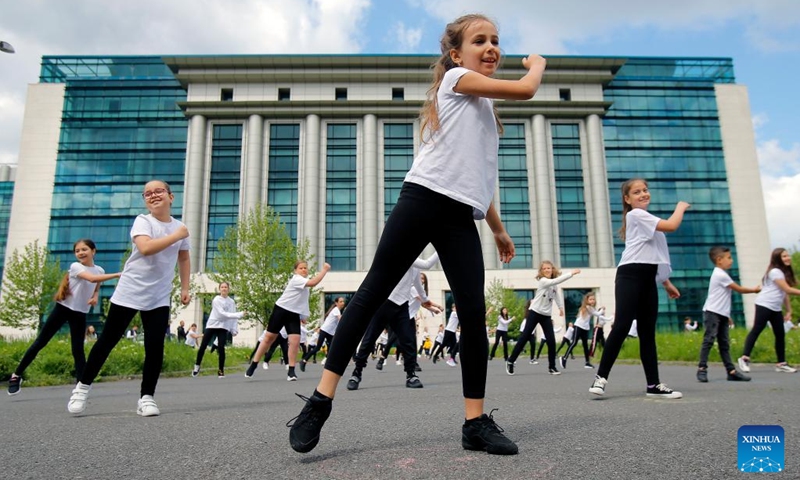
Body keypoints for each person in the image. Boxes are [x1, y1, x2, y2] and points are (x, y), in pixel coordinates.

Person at [287, 14, 545, 457]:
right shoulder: (458, 80)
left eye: (496, 41)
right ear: (455, 54)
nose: (491, 48)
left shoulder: (484, 110)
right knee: (370, 293)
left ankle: (475, 422)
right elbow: (527, 88)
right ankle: (319, 401)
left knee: (472, 311)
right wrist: (537, 64)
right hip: (422, 199)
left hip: (461, 216)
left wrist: (499, 230)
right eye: (479, 40)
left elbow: (479, 182)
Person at [67, 180, 191, 416]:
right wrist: (177, 235)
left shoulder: (179, 227)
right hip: (130, 291)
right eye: (148, 194)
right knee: (107, 341)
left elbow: (183, 258)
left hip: (158, 296)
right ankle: (81, 388)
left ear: (171, 197)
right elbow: (145, 248)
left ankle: (146, 398)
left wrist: (185, 287)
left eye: (158, 191)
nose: (153, 195)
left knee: (155, 347)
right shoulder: (143, 221)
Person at [589, 178, 689, 399]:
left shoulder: (647, 220)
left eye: (645, 190)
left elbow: (654, 253)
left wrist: (666, 282)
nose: (643, 194)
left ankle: (653, 384)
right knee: (622, 325)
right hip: (629, 275)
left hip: (647, 278)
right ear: (627, 199)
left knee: (647, 332)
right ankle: (601, 378)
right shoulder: (636, 215)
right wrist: (680, 207)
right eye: (637, 192)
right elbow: (672, 226)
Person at [7, 239, 120, 396]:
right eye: (77, 250)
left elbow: (96, 285)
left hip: (80, 312)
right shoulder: (76, 267)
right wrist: (118, 274)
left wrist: (94, 297)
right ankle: (16, 375)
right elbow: (92, 279)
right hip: (63, 309)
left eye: (84, 249)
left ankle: (81, 386)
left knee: (78, 349)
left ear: (93, 251)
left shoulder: (99, 270)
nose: (80, 253)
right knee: (41, 342)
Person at [346, 255, 442, 391]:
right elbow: (427, 264)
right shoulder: (402, 252)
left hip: (402, 305)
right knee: (369, 339)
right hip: (383, 303)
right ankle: (356, 373)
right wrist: (441, 244)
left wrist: (426, 301)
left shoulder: (415, 266)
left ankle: (411, 375)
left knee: (408, 341)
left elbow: (419, 287)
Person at [244, 261, 331, 381]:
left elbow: (302, 301)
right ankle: (253, 364)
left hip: (293, 314)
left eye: (306, 268)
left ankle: (291, 371)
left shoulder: (304, 283)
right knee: (269, 338)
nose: (304, 270)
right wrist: (324, 270)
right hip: (281, 310)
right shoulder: (296, 279)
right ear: (295, 271)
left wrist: (303, 316)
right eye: (301, 268)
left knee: (295, 341)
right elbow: (313, 282)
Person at [696, 246, 760, 383]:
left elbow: (722, 298)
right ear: (719, 260)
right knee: (709, 340)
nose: (731, 260)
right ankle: (702, 368)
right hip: (712, 312)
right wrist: (755, 290)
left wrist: (726, 315)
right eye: (729, 257)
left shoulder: (722, 274)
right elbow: (739, 289)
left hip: (721, 313)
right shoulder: (720, 274)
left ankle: (731, 371)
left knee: (724, 343)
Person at [506, 261, 579, 376]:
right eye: (544, 268)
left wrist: (560, 308)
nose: (546, 270)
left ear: (552, 269)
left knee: (551, 341)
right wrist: (571, 273)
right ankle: (511, 360)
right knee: (525, 337)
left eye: (548, 268)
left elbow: (556, 295)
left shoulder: (553, 285)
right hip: (534, 313)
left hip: (546, 316)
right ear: (541, 271)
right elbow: (556, 281)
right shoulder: (543, 281)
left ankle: (552, 367)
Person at [738, 248, 800, 374]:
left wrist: (789, 310)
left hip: (775, 307)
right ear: (777, 259)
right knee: (757, 330)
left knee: (780, 334)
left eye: (788, 256)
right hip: (764, 304)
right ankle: (744, 358)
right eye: (784, 256)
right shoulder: (775, 271)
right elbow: (787, 289)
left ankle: (781, 363)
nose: (787, 258)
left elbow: (784, 292)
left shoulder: (782, 272)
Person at [192, 281, 244, 378]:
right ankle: (197, 366)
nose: (224, 289)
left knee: (221, 348)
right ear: (219, 289)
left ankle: (221, 370)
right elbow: (222, 313)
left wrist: (234, 329)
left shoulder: (231, 302)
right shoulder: (216, 300)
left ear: (228, 289)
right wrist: (239, 314)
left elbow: (232, 315)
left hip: (223, 326)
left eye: (226, 287)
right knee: (203, 346)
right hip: (213, 324)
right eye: (222, 287)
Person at [561, 292, 612, 370]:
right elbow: (598, 314)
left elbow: (596, 313)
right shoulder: (588, 307)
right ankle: (564, 358)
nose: (592, 301)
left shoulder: (591, 308)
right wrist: (602, 309)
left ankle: (587, 362)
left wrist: (602, 310)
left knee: (585, 345)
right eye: (590, 299)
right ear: (587, 300)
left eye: (593, 299)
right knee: (574, 342)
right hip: (578, 326)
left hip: (585, 328)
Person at [300, 296, 344, 371]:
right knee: (317, 348)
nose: (343, 303)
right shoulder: (336, 310)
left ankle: (328, 363)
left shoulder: (337, 311)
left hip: (330, 333)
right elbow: (341, 320)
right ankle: (304, 361)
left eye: (343, 301)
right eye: (340, 302)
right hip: (324, 330)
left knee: (331, 348)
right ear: (336, 303)